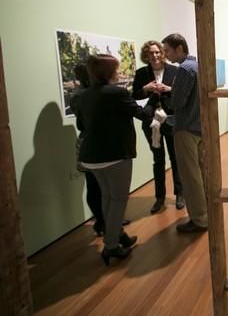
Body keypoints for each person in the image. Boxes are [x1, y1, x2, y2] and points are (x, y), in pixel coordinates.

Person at [76, 54, 151, 265]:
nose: (119, 73)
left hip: (90, 157)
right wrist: (152, 101)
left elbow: (81, 125)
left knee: (107, 197)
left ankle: (118, 235)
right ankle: (110, 246)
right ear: (108, 72)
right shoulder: (117, 93)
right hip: (115, 156)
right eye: (116, 69)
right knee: (117, 200)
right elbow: (142, 114)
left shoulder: (83, 95)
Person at [161, 34, 208, 233]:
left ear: (179, 48)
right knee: (202, 173)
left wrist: (167, 93)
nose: (165, 54)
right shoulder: (198, 66)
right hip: (200, 127)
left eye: (167, 50)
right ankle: (207, 213)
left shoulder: (184, 69)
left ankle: (199, 219)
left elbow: (178, 102)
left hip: (186, 128)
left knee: (190, 177)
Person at [132, 40, 184, 214]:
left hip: (170, 118)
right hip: (151, 122)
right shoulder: (141, 73)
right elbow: (134, 95)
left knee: (176, 158)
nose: (154, 56)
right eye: (150, 53)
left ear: (162, 53)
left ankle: (179, 194)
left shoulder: (174, 70)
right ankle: (159, 198)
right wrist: (146, 89)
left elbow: (181, 91)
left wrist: (168, 88)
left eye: (157, 52)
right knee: (158, 160)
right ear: (145, 55)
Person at [70, 63, 105, 236]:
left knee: (101, 186)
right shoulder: (81, 96)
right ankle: (101, 221)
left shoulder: (82, 94)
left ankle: (105, 220)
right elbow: (83, 122)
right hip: (91, 142)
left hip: (93, 141)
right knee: (94, 185)